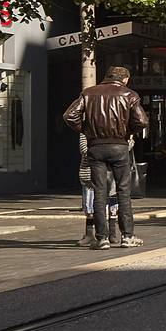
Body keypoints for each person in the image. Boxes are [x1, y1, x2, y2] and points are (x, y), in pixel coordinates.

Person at [63, 66, 148, 249]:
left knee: (99, 192)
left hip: (96, 147)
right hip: (119, 146)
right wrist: (127, 132)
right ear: (124, 79)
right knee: (123, 192)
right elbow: (141, 121)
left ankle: (101, 239)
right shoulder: (130, 95)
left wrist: (86, 130)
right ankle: (127, 236)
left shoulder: (88, 93)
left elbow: (70, 115)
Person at [75, 131, 122, 249]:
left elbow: (124, 148)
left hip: (111, 172)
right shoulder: (85, 132)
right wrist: (104, 152)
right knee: (90, 205)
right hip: (90, 172)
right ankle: (90, 233)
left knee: (112, 202)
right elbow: (84, 150)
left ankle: (112, 233)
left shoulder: (115, 128)